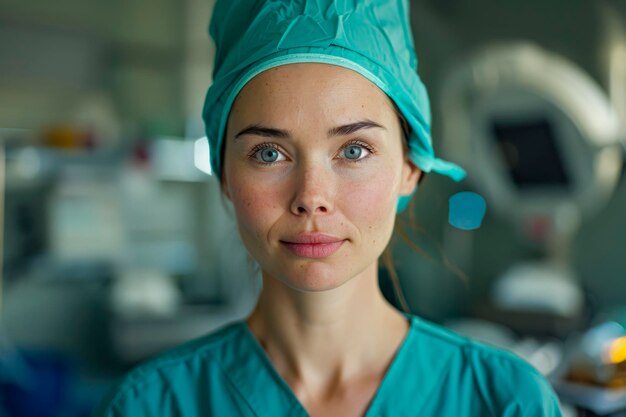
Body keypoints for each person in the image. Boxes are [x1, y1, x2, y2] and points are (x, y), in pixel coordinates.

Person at [92, 1, 563, 416]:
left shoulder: (505, 401)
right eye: (269, 153)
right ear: (226, 178)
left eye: (354, 150)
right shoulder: (148, 406)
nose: (310, 196)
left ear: (410, 167)